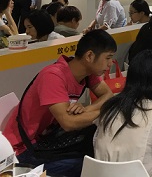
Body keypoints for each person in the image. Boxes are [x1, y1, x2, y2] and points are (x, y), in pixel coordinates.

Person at [3, 30, 117, 176]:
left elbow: (108, 95)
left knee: (95, 146)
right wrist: (106, 111)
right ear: (89, 56)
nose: (110, 63)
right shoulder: (53, 76)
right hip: (24, 149)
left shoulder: (88, 73)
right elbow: (68, 123)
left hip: (50, 139)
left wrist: (87, 109)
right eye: (108, 58)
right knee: (90, 163)